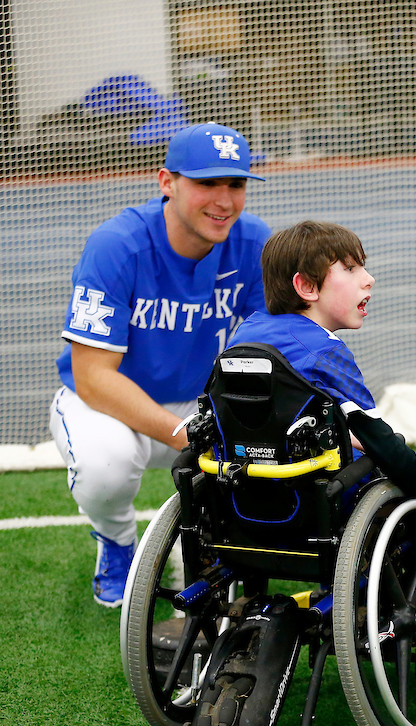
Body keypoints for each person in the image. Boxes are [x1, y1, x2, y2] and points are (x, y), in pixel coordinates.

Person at [50, 122, 270, 608]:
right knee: (104, 466)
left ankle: (220, 543)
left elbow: (274, 345)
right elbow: (92, 376)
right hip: (107, 404)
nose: (224, 200)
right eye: (206, 183)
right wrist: (181, 433)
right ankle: (118, 543)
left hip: (198, 402)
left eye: (235, 184)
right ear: (166, 182)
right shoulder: (117, 245)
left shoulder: (253, 242)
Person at [227, 221, 416, 612]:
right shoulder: (323, 349)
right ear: (307, 287)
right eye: (351, 269)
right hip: (313, 510)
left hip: (242, 508)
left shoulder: (246, 334)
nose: (369, 279)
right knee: (406, 485)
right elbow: (380, 440)